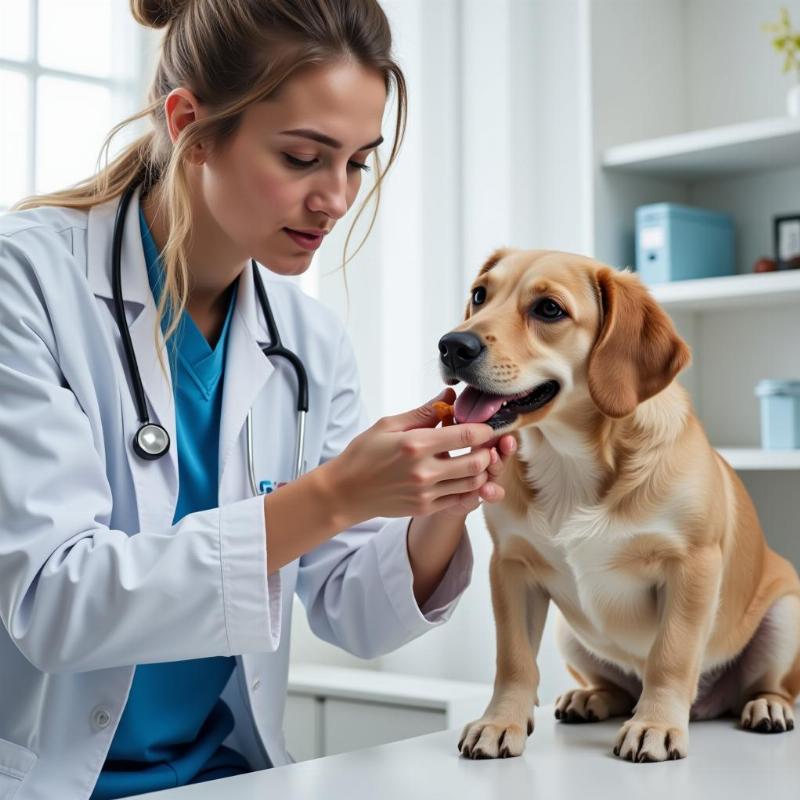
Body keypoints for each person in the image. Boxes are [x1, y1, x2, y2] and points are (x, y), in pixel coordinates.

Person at [0, 1, 517, 798]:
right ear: (189, 126)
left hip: (219, 777)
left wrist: (438, 500)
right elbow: (53, 602)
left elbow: (357, 612)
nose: (337, 198)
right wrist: (335, 494)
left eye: (357, 162)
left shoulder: (309, 345)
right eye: (305, 157)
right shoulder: (27, 283)